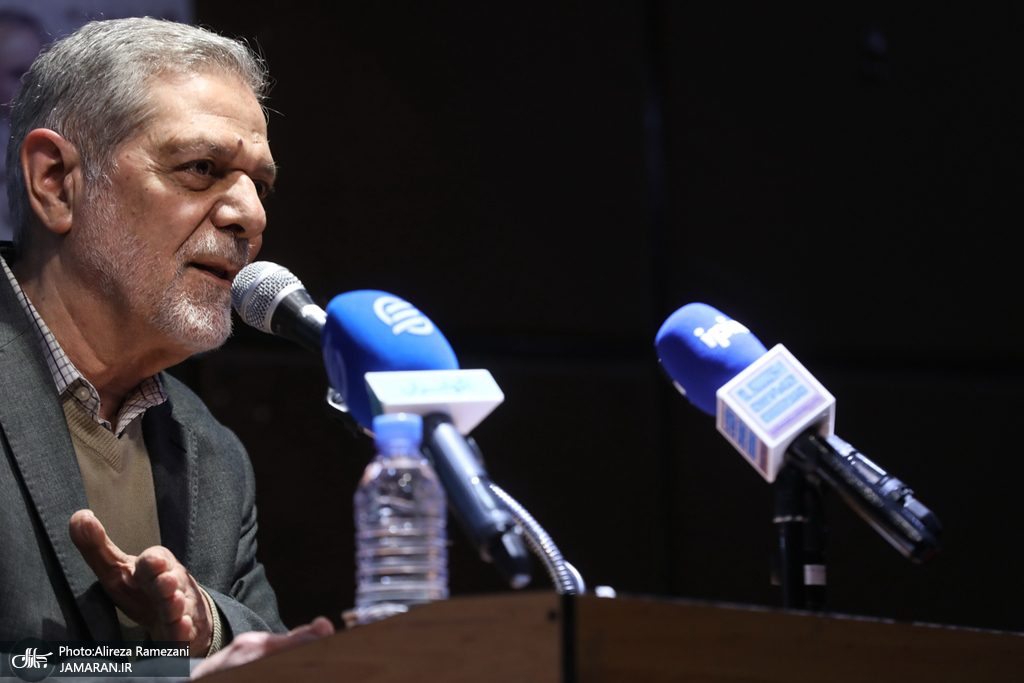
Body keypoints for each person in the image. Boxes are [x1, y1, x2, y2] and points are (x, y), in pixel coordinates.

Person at [0, 17, 333, 674]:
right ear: (55, 181)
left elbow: (261, 645)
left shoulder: (211, 452)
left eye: (260, 185)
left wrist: (206, 628)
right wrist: (161, 675)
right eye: (201, 168)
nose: (251, 216)